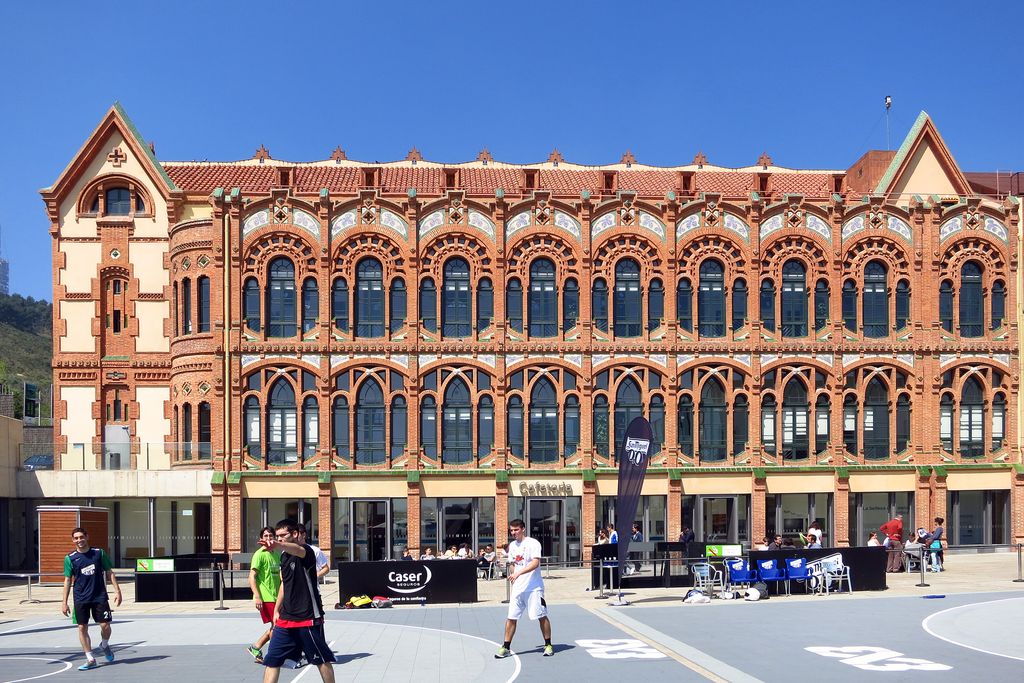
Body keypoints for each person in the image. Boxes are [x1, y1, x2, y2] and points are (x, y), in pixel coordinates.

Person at [260, 519, 336, 683]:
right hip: (285, 619)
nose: (279, 539)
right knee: (272, 660)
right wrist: (276, 610)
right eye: (276, 536)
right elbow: (284, 585)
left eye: (283, 535)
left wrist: (278, 545)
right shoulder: (283, 556)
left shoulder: (306, 552)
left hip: (307, 617)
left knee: (321, 659)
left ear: (294, 534)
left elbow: (295, 549)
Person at [61, 527, 122, 671]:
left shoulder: (98, 553)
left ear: (87, 537)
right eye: (76, 538)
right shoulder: (70, 558)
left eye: (81, 537)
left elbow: (109, 572)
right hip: (81, 598)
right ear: (73, 540)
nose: (79, 540)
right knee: (82, 627)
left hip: (99, 596)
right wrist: (64, 602)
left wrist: (118, 591)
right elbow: (67, 580)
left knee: (105, 626)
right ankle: (90, 658)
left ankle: (104, 645)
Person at [495, 519, 554, 659]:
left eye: (516, 530)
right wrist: (513, 575)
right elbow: (513, 563)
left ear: (523, 529)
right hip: (518, 589)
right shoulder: (512, 546)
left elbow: (535, 563)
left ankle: (548, 644)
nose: (513, 533)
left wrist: (519, 573)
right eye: (511, 530)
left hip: (534, 587)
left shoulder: (533, 543)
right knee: (511, 618)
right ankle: (506, 647)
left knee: (541, 616)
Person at [248, 526, 281, 664]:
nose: (268, 538)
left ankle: (256, 647)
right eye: (265, 536)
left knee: (277, 626)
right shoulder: (259, 554)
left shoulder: (277, 554)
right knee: (277, 625)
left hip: (277, 596)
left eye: (271, 536)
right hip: (265, 597)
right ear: (261, 539)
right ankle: (274, 655)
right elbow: (251, 576)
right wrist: (257, 596)